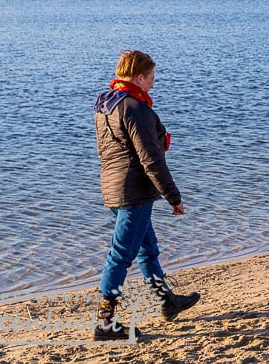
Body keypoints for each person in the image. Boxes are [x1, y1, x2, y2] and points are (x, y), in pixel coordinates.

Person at [92, 50, 199, 341]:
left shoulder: (106, 104)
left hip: (113, 189)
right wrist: (173, 197)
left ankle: (167, 301)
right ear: (139, 77)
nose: (153, 83)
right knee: (120, 256)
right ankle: (105, 323)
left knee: (147, 249)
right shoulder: (135, 108)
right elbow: (151, 159)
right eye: (151, 78)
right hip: (134, 193)